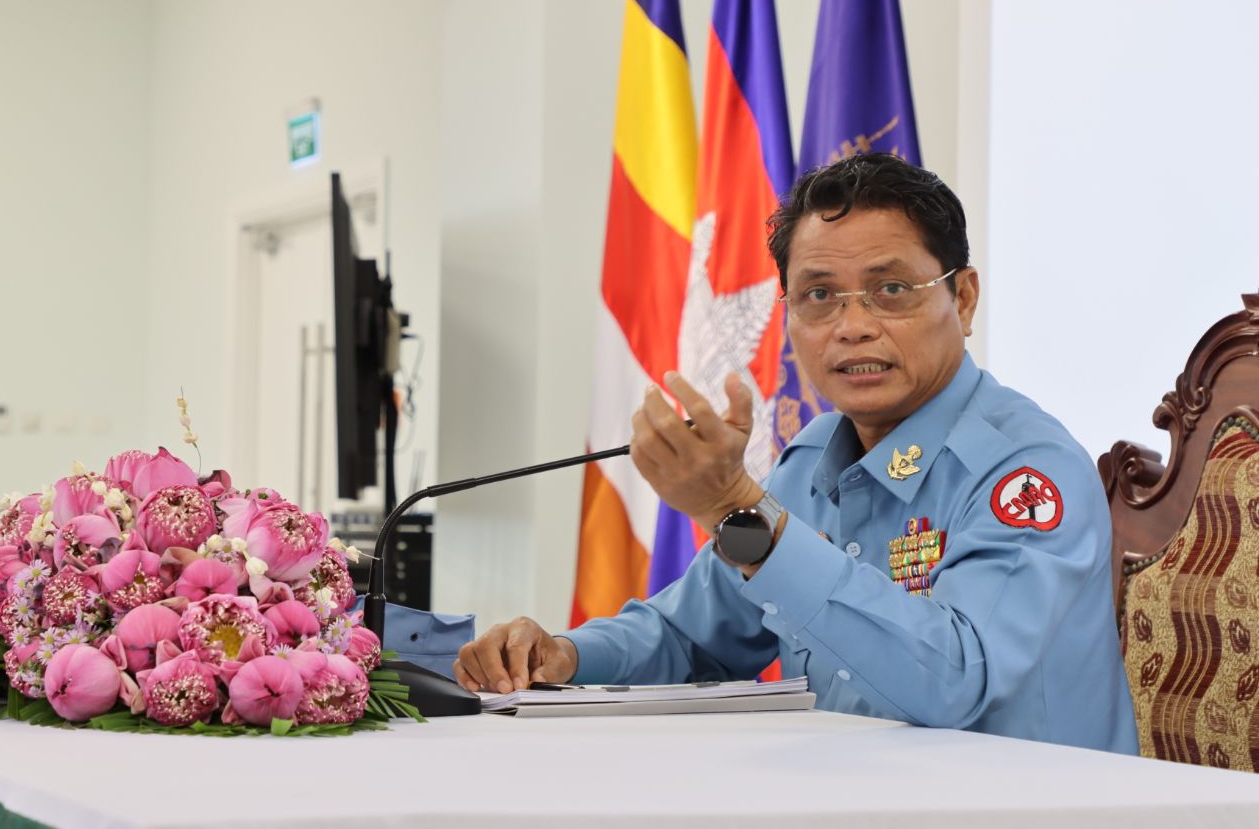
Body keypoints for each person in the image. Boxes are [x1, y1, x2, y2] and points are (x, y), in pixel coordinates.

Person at [454, 153, 1138, 754]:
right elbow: (694, 635)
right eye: (819, 295)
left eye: (891, 290)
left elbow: (958, 680)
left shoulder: (1025, 471)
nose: (853, 326)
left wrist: (737, 510)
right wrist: (565, 656)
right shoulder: (810, 459)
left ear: (963, 299)